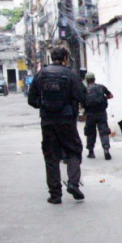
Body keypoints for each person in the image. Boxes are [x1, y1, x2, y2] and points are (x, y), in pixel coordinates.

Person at [27, 46, 86, 204]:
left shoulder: (41, 75)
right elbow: (82, 95)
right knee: (73, 151)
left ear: (51, 58)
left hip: (47, 121)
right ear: (66, 58)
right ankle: (73, 183)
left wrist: (45, 105)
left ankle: (55, 195)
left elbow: (31, 100)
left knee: (51, 157)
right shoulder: (70, 74)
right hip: (66, 120)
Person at [82, 72, 114, 160]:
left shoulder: (85, 89)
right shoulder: (101, 87)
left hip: (90, 114)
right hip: (101, 113)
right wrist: (104, 98)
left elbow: (82, 101)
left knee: (90, 133)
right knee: (104, 132)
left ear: (86, 80)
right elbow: (111, 96)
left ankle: (91, 152)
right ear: (94, 79)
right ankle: (106, 150)